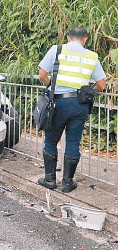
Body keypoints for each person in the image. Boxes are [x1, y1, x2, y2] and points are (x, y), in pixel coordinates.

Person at [37, 27, 106, 192]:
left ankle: (50, 180)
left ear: (68, 38)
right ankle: (68, 183)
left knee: (51, 140)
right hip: (80, 105)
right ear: (85, 40)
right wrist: (89, 91)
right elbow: (102, 85)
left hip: (58, 103)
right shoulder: (92, 56)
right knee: (73, 141)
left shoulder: (57, 49)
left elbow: (41, 74)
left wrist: (50, 86)